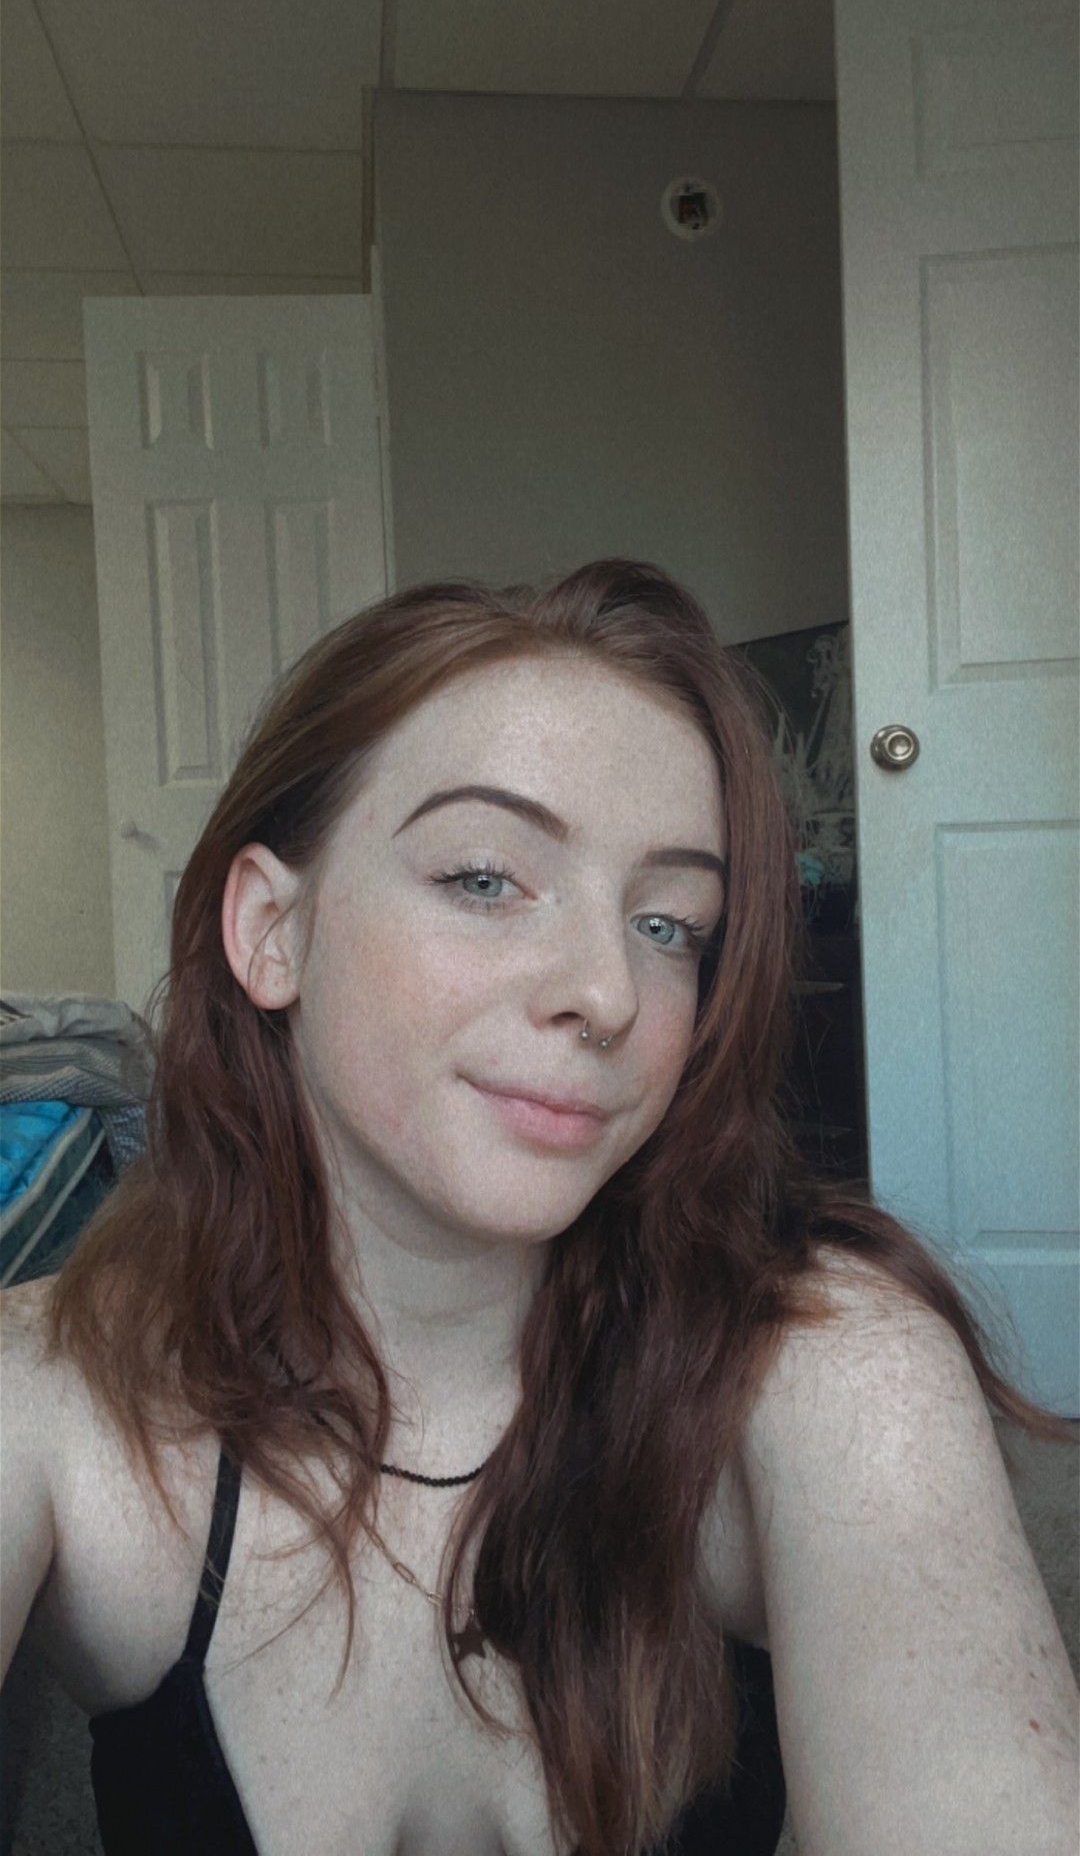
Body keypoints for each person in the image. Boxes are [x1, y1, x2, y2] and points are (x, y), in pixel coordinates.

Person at [2, 558, 1076, 1856]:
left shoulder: (830, 1367)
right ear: (272, 929)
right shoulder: (48, 1399)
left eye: (670, 924)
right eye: (485, 878)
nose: (608, 992)